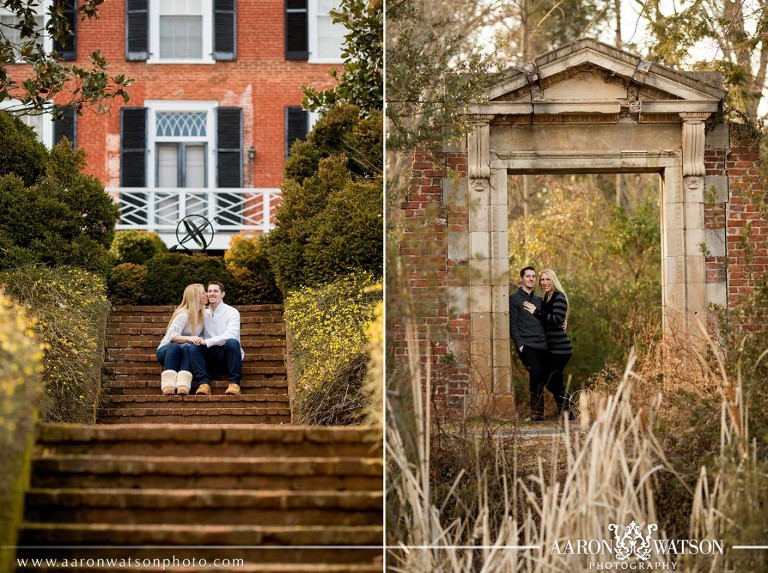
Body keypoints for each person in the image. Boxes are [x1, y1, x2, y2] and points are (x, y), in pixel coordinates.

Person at [522, 268, 574, 420]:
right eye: (542, 280)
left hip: (562, 349)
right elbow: (550, 319)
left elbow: (556, 318)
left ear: (553, 280)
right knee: (553, 382)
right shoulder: (546, 298)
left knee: (552, 382)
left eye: (547, 279)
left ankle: (570, 412)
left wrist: (535, 312)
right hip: (551, 349)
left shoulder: (559, 296)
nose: (544, 283)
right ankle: (568, 414)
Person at [190, 281, 244, 396]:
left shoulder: (232, 312)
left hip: (227, 354)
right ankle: (204, 384)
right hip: (210, 356)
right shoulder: (203, 313)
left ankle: (234, 383)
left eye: (215, 291)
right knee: (192, 346)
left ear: (222, 294)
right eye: (209, 291)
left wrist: (207, 341)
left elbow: (231, 334)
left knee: (233, 342)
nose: (211, 293)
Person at [509, 266, 549, 421]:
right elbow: (512, 324)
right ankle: (536, 412)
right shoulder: (514, 299)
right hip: (526, 344)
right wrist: (520, 344)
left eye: (533, 276)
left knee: (542, 376)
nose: (531, 279)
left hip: (542, 345)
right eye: (528, 276)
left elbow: (547, 318)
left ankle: (541, 413)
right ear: (522, 278)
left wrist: (562, 323)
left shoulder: (539, 300)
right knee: (536, 373)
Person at [156, 283, 207, 395]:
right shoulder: (184, 314)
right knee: (176, 347)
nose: (206, 294)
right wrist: (190, 338)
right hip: (168, 351)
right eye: (203, 292)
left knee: (189, 349)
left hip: (184, 352)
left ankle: (183, 385)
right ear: (196, 297)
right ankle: (168, 385)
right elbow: (172, 337)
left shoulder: (202, 314)